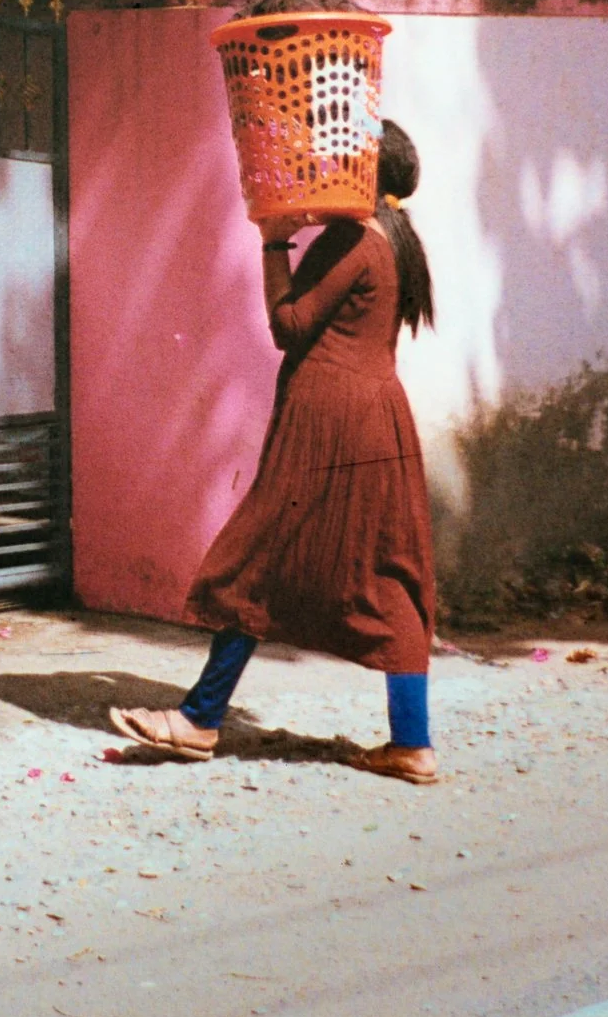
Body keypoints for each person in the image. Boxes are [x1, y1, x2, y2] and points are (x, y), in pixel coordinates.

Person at [109, 119, 442, 784]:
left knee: (256, 556)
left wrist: (275, 242)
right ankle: (413, 742)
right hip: (381, 418)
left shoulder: (353, 240)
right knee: (391, 571)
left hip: (328, 420)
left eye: (340, 157)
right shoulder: (396, 242)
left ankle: (200, 719)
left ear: (364, 175)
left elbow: (289, 327)